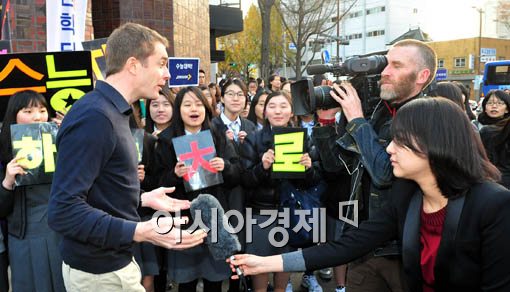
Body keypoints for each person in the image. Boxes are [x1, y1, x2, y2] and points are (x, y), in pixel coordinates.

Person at [229, 97, 510, 292]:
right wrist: (264, 262)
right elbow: (347, 246)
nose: (388, 149)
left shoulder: (493, 204)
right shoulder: (407, 195)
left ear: (435, 143)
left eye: (400, 141)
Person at [47, 23, 206, 291]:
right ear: (133, 65)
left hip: (112, 266)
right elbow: (63, 210)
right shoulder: (95, 117)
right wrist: (141, 231)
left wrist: (140, 198)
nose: (167, 74)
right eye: (161, 64)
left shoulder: (112, 112)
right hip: (99, 275)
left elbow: (96, 191)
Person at [309, 39, 437, 292]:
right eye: (385, 63)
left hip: (402, 249)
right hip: (363, 244)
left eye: (396, 65)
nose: (385, 72)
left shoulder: (430, 116)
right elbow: (336, 168)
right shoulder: (376, 111)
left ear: (422, 75)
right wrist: (325, 124)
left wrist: (356, 118)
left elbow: (385, 174)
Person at [155, 86, 241, 292]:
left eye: (198, 104)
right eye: (187, 104)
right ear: (179, 110)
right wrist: (173, 175)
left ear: (206, 108)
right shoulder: (166, 140)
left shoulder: (218, 135)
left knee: (214, 280)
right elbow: (155, 183)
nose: (194, 109)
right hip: (183, 219)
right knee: (186, 282)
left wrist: (226, 167)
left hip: (214, 217)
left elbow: (238, 172)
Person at [239, 91, 322, 292]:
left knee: (285, 262)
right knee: (259, 265)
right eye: (272, 106)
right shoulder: (254, 139)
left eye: (283, 106)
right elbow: (245, 180)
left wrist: (308, 168)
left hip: (291, 210)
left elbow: (314, 180)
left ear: (291, 111)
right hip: (261, 212)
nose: (278, 111)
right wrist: (263, 167)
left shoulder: (303, 139)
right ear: (264, 111)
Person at [0, 90, 65, 291]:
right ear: (14, 116)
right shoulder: (3, 151)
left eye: (42, 110)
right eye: (28, 111)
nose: (37, 116)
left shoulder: (60, 141)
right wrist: (7, 182)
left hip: (59, 230)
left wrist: (67, 136)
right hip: (23, 235)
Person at [479, 90, 510, 189]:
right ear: (484, 107)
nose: (494, 106)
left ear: (507, 109)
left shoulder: (506, 129)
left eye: (499, 103)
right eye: (490, 103)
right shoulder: (475, 126)